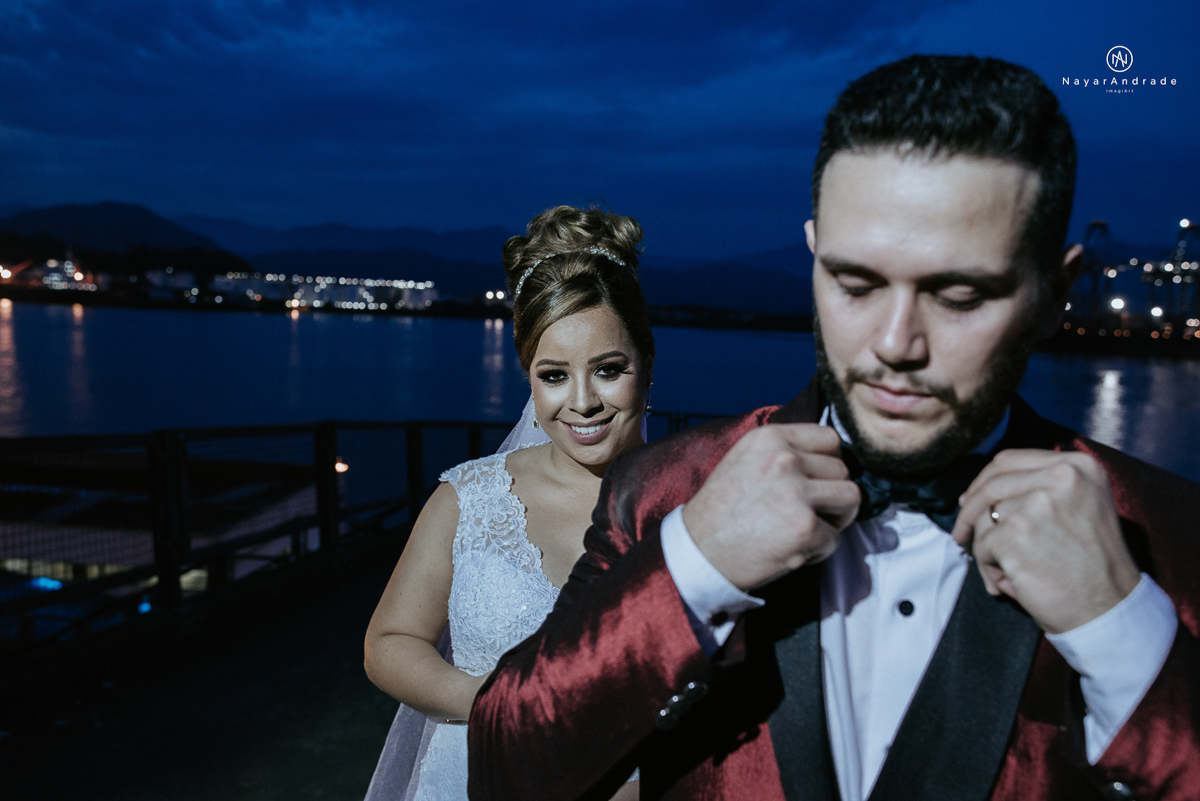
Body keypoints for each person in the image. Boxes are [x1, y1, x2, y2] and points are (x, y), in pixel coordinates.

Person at [469, 56, 1200, 801]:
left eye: (960, 295)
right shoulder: (664, 490)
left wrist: (1121, 633)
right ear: (814, 253)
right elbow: (504, 769)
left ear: (1056, 292)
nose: (894, 343)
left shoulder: (1170, 533)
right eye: (855, 283)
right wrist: (694, 563)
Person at [362, 205, 652, 801]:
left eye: (607, 370)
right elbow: (389, 644)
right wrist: (502, 709)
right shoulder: (467, 500)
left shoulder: (688, 504)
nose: (582, 402)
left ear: (646, 364)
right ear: (527, 376)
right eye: (553, 375)